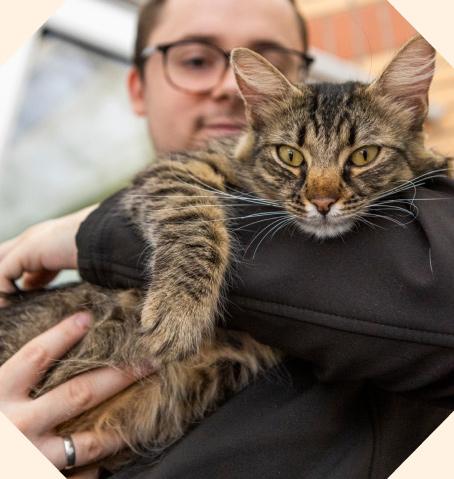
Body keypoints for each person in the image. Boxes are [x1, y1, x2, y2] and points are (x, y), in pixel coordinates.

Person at [1, 1, 454, 478]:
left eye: (361, 156)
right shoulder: (220, 172)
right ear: (137, 88)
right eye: (195, 61)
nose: (323, 194)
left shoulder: (427, 237)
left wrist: (91, 233)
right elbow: (171, 180)